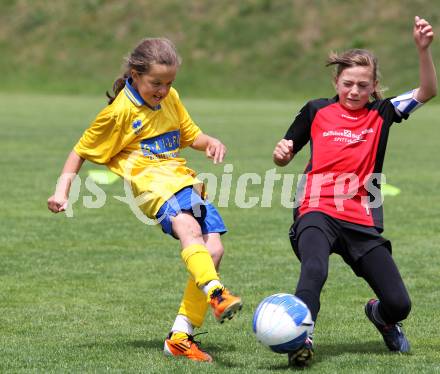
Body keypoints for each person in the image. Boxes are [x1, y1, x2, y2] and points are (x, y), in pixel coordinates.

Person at [47, 37, 242, 363]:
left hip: (185, 183)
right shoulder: (118, 112)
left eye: (169, 83)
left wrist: (210, 142)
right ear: (135, 74)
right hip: (153, 189)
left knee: (215, 249)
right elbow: (80, 150)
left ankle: (180, 336)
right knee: (188, 230)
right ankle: (217, 294)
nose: (163, 90)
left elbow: (190, 134)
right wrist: (61, 191)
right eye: (156, 83)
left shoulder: (171, 98)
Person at [272, 16, 436, 367]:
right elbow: (285, 151)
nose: (354, 92)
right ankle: (302, 338)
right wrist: (281, 153)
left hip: (360, 216)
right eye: (348, 84)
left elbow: (427, 92)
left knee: (399, 303)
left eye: (363, 85)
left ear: (375, 85)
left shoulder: (383, 112)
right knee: (314, 270)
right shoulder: (316, 109)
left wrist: (423, 51)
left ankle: (381, 316)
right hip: (315, 207)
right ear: (337, 81)